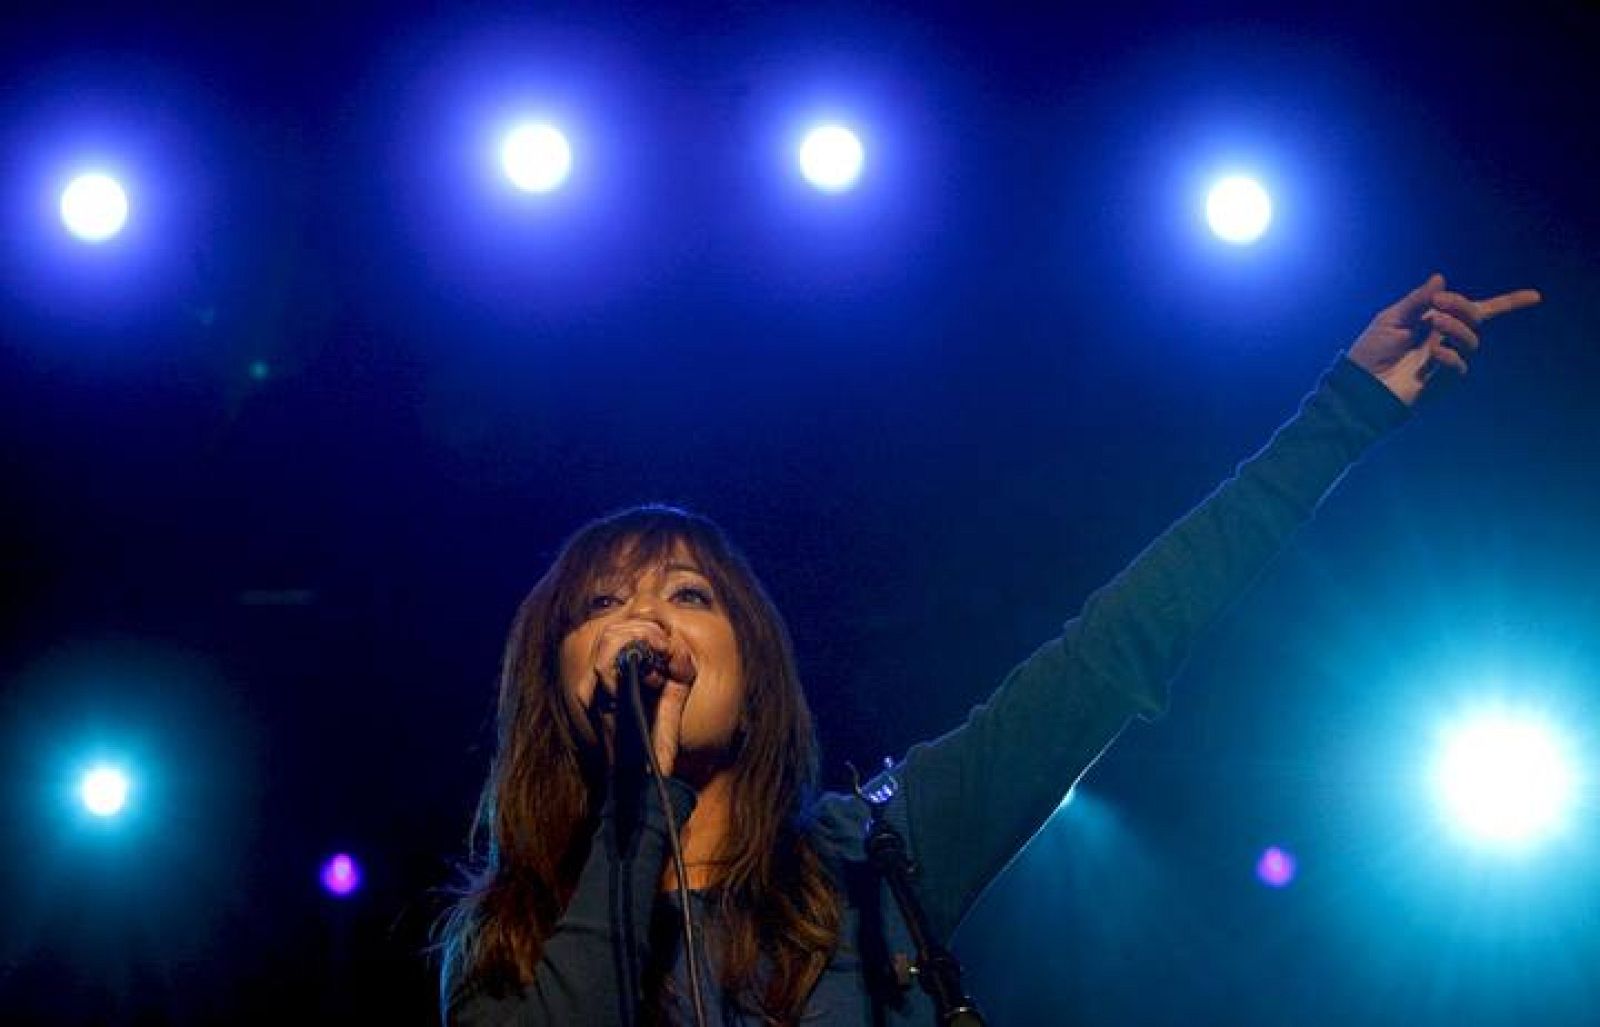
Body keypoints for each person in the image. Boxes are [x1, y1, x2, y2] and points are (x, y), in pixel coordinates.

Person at [436, 274, 1541, 1025]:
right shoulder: (513, 940)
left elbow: (1113, 651)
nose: (650, 625)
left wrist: (1339, 413)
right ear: (560, 681)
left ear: (756, 663)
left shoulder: (873, 861)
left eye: (687, 593)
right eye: (603, 607)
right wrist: (640, 802)